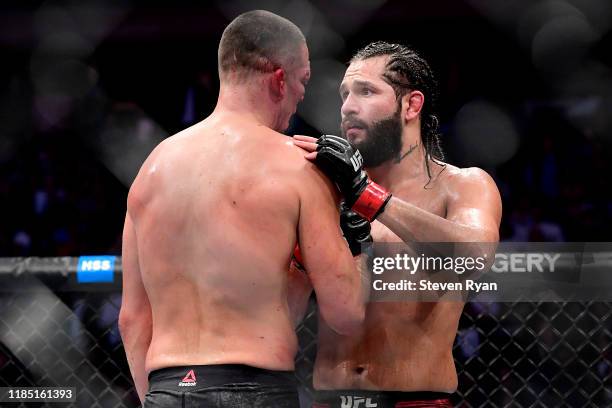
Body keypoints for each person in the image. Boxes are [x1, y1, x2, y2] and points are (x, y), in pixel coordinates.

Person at [119, 10, 366, 408]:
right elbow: (345, 313)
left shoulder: (152, 169)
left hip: (167, 387)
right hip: (255, 389)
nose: (303, 94)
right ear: (279, 78)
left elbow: (132, 320)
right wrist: (356, 233)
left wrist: (158, 399)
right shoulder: (299, 165)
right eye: (303, 79)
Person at [294, 41, 502, 407]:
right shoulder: (324, 191)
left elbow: (474, 256)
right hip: (327, 399)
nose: (347, 107)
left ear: (411, 104)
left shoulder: (461, 186)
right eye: (344, 95)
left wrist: (367, 196)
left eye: (366, 91)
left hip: (415, 400)